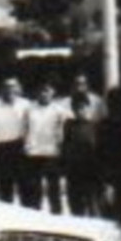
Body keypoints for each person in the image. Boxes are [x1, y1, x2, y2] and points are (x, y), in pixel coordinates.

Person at [21, 79, 69, 213]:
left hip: (52, 154)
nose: (44, 94)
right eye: (41, 91)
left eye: (47, 91)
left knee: (54, 191)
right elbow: (24, 129)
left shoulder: (60, 110)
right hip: (33, 154)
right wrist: (26, 146)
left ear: (53, 93)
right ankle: (36, 219)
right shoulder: (29, 109)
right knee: (34, 192)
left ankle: (57, 219)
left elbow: (64, 130)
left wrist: (61, 148)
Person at [0, 77, 30, 205]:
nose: (10, 90)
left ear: (18, 89)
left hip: (22, 149)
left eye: (13, 86)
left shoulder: (26, 104)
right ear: (2, 89)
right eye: (7, 87)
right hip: (3, 150)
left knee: (26, 189)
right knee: (5, 191)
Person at [62, 92, 103, 217]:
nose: (80, 110)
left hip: (91, 174)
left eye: (83, 107)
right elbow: (65, 148)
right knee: (76, 210)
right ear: (73, 109)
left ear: (88, 108)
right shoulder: (68, 126)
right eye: (77, 108)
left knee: (93, 208)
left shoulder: (95, 127)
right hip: (74, 173)